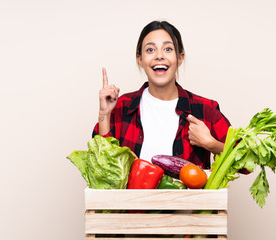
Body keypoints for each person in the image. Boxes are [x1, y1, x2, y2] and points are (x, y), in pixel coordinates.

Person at [92, 20, 231, 169]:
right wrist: (104, 115)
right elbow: (101, 168)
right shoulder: (122, 106)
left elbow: (245, 163)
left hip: (189, 194)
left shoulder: (204, 109)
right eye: (150, 50)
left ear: (180, 58)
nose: (159, 56)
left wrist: (210, 144)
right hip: (134, 194)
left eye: (168, 49)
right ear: (140, 59)